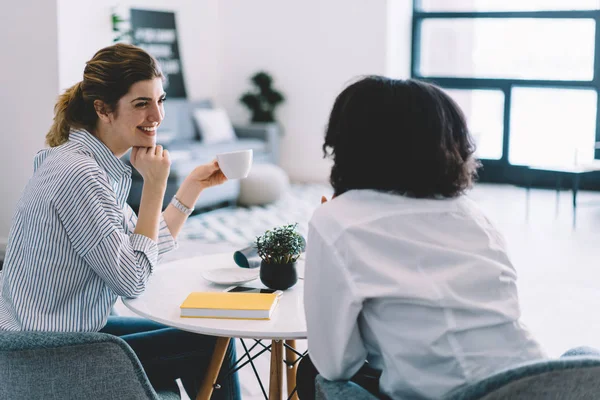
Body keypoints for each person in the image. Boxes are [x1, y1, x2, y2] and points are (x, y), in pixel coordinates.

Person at [0, 43, 240, 399]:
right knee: (213, 342)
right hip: (46, 353)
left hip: (47, 337)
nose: (157, 116)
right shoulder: (79, 175)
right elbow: (133, 279)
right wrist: (154, 185)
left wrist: (192, 187)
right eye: (141, 103)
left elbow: (139, 243)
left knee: (208, 336)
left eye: (160, 100)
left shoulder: (85, 164)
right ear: (103, 109)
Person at [296, 76, 547, 399]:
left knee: (313, 372)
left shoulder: (337, 220)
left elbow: (336, 364)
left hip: (456, 394)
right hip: (537, 382)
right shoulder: (475, 216)